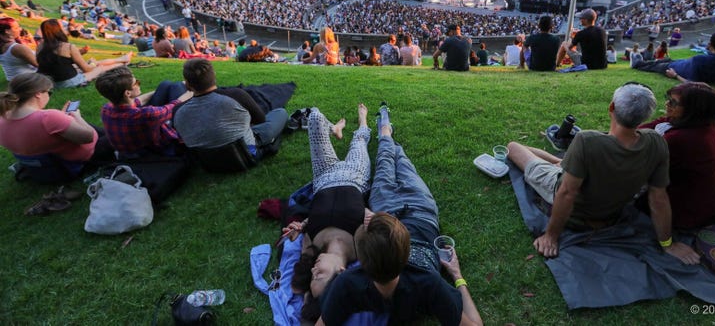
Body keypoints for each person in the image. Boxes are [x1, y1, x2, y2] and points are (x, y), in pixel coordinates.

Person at [320, 106, 483, 326]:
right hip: (420, 211)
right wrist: (457, 275)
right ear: (407, 252)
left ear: (361, 263)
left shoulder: (348, 284)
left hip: (387, 207)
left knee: (386, 161)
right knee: (403, 162)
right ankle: (386, 131)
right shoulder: (428, 282)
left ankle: (386, 132)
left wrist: (374, 219)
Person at [506, 83, 700, 264]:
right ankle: (561, 163)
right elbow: (658, 198)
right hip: (609, 211)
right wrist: (668, 244)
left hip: (569, 201)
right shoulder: (657, 143)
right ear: (645, 116)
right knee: (562, 162)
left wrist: (551, 235)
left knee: (514, 147)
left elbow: (566, 193)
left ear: (611, 107)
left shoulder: (587, 141)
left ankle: (560, 165)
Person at [287, 105, 373, 320]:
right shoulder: (360, 244)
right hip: (355, 176)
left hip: (323, 177)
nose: (313, 272)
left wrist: (300, 225)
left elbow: (315, 213)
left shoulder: (312, 245)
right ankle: (363, 119)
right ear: (342, 272)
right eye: (320, 276)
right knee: (359, 141)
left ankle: (334, 128)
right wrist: (373, 216)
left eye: (312, 278)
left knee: (314, 115)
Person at [639, 83, 715, 229]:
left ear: (693, 111)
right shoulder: (704, 125)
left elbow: (637, 166)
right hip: (712, 202)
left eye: (673, 102)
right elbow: (647, 127)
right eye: (668, 99)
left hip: (686, 213)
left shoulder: (680, 139)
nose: (667, 104)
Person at [173, 58, 288, 158]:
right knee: (280, 112)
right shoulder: (236, 95)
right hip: (246, 154)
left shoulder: (178, 112)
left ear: (187, 84)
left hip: (206, 161)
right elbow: (260, 120)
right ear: (214, 77)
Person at [0, 72, 113, 174]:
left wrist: (62, 118)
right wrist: (77, 117)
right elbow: (89, 137)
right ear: (38, 94)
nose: (49, 96)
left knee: (101, 131)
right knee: (116, 136)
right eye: (49, 92)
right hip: (77, 162)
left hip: (43, 166)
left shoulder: (3, 117)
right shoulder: (48, 117)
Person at [95, 67, 193, 157]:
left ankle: (169, 86)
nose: (139, 83)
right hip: (155, 151)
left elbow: (138, 100)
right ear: (127, 93)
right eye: (136, 83)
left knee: (165, 84)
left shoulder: (106, 109)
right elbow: (173, 106)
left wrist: (161, 89)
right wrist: (191, 90)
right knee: (178, 87)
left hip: (131, 148)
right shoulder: (144, 114)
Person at [35, 19, 131, 89]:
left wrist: (81, 53)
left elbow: (56, 62)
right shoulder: (67, 46)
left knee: (95, 63)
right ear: (58, 31)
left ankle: (123, 59)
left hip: (49, 82)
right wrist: (92, 64)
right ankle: (123, 62)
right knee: (100, 67)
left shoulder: (40, 47)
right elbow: (86, 69)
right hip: (67, 82)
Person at [634, 31, 715, 85]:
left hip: (673, 68)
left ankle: (637, 64)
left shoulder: (700, 60)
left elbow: (692, 83)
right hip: (679, 63)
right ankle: (640, 62)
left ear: (711, 44)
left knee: (654, 65)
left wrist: (675, 76)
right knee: (660, 61)